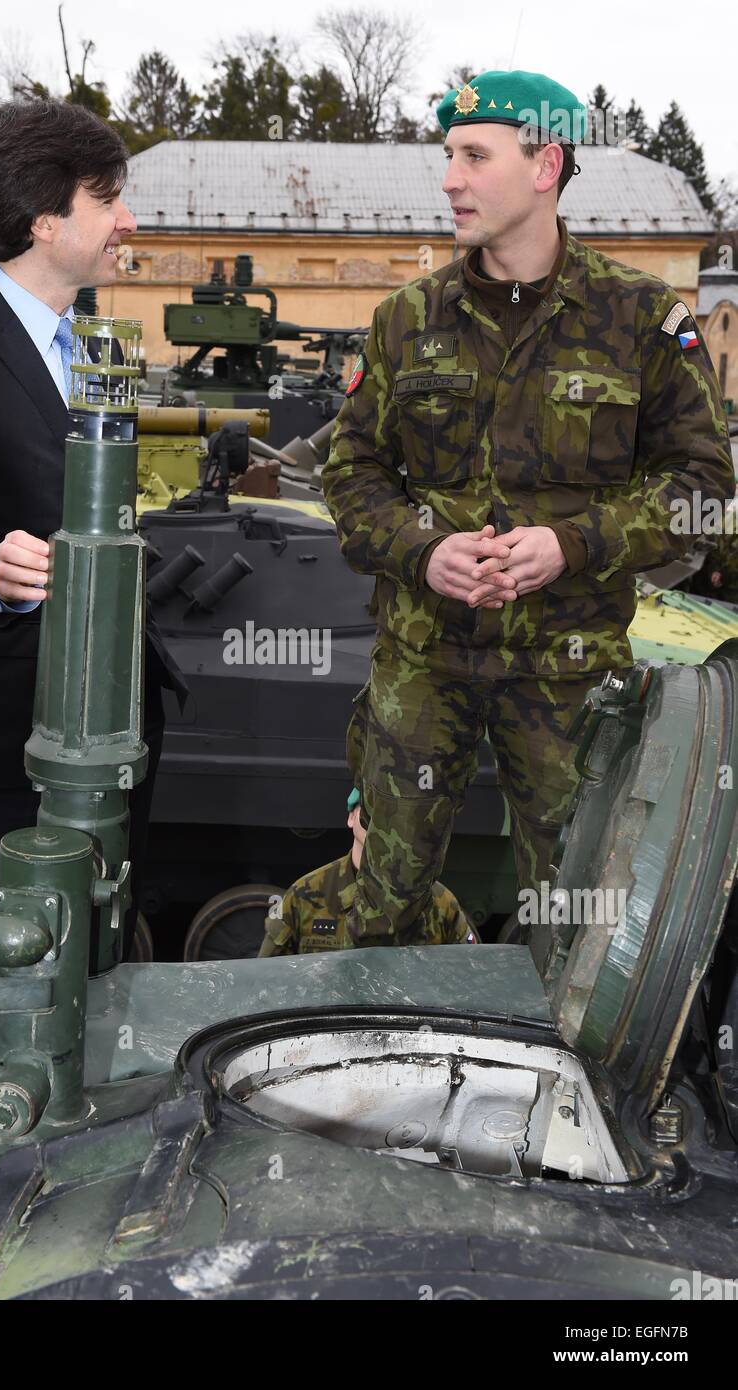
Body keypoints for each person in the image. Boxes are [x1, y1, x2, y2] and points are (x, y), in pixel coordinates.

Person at [321, 69, 734, 964]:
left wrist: (575, 544)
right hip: (422, 668)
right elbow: (350, 469)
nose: (450, 179)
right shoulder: (406, 322)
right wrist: (423, 551)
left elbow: (704, 486)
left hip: (569, 677)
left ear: (545, 165)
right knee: (381, 905)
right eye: (447, 157)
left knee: (576, 918)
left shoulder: (639, 322)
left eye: (475, 156)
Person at [0, 99, 186, 953]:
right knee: (10, 964)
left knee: (102, 939)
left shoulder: (101, 350)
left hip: (116, 715)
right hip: (9, 734)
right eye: (107, 200)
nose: (127, 220)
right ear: (48, 220)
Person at [260, 789, 475, 955]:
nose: (379, 825)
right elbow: (269, 982)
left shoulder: (440, 904)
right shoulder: (303, 897)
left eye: (391, 815)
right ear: (351, 817)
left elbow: (470, 981)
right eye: (371, 811)